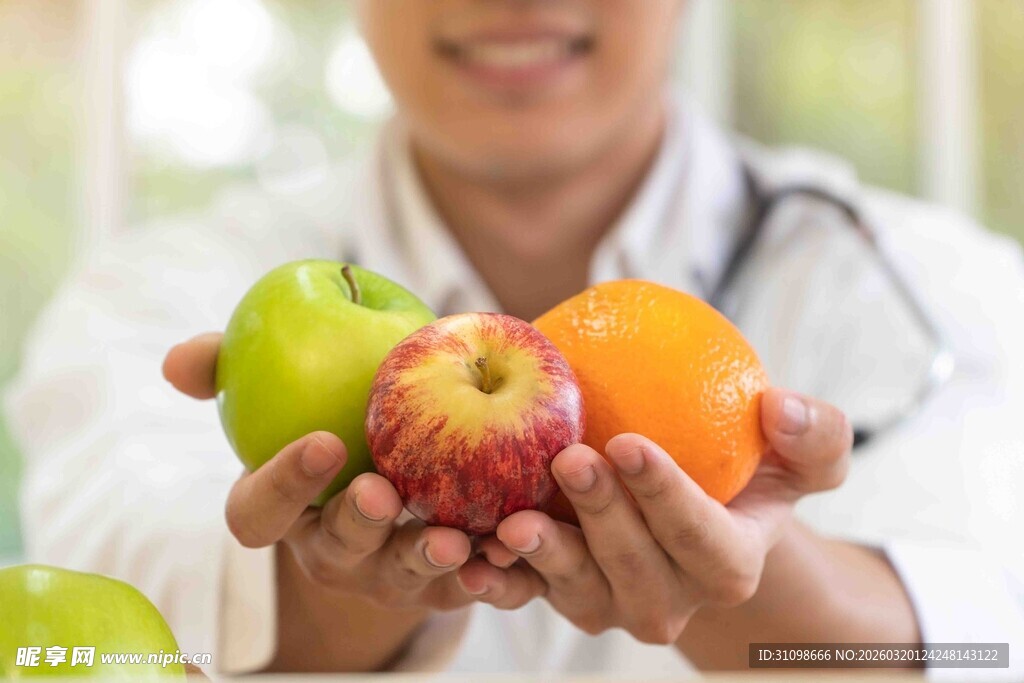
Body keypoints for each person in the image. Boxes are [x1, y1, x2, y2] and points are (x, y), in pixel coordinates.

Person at [6, 0, 1024, 678]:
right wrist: (345, 593)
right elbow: (99, 628)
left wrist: (757, 586)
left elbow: (991, 637)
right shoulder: (153, 298)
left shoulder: (941, 287)